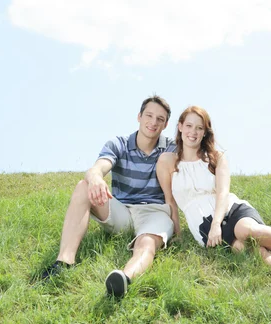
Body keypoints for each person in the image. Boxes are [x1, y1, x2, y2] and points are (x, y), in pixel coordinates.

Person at [156, 106, 271, 285]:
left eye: (199, 128)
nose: (193, 132)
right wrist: (178, 234)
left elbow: (223, 192)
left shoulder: (216, 157)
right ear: (180, 127)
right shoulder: (167, 161)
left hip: (230, 208)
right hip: (202, 223)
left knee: (248, 231)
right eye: (188, 126)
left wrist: (217, 225)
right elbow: (170, 201)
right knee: (247, 249)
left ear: (205, 132)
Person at [40, 95, 180, 298]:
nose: (153, 122)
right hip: (122, 212)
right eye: (149, 115)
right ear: (139, 116)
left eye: (160, 118)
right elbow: (97, 168)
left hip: (154, 213)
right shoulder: (119, 144)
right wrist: (96, 177)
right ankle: (64, 262)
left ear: (166, 124)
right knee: (83, 185)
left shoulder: (171, 148)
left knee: (147, 243)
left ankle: (124, 278)